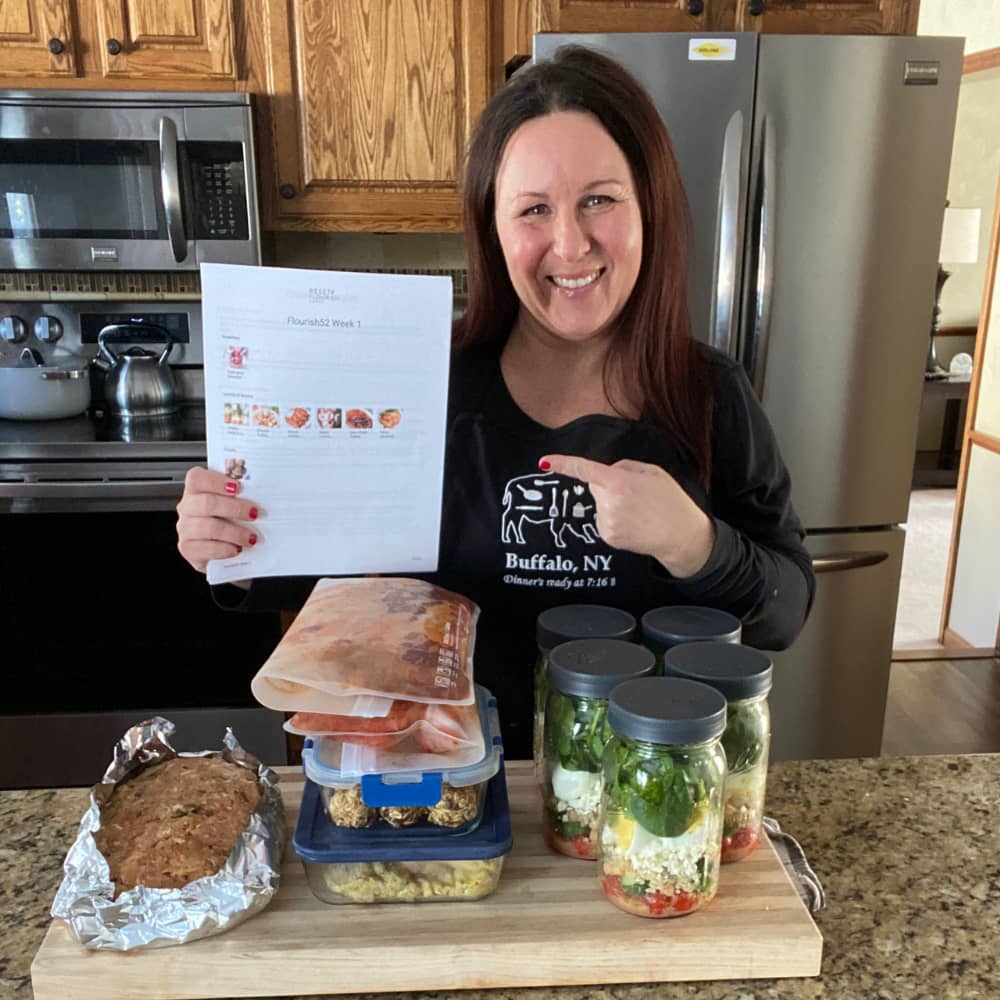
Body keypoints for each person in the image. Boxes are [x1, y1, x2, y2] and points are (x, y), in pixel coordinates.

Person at [176, 46, 815, 759]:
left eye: (599, 200)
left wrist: (692, 542)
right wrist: (233, 543)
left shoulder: (710, 393)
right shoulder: (425, 384)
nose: (570, 244)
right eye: (534, 209)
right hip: (448, 785)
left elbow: (786, 610)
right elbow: (328, 565)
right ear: (493, 230)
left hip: (644, 797)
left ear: (649, 207)